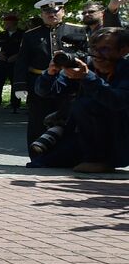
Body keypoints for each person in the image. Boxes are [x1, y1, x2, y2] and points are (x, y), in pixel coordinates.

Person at [29, 26, 129, 172]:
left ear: (123, 50)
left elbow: (117, 101)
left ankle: (99, 160)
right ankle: (85, 155)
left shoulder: (125, 69)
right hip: (85, 136)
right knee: (41, 162)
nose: (97, 54)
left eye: (105, 49)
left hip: (120, 137)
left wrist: (87, 78)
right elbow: (44, 92)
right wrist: (50, 74)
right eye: (94, 48)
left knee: (86, 105)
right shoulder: (85, 66)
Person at [15, 0, 85, 157]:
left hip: (69, 81)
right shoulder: (31, 35)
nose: (51, 14)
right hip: (40, 81)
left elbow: (86, 53)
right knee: (38, 119)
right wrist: (20, 85)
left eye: (55, 11)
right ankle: (37, 157)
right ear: (41, 14)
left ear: (63, 12)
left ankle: (65, 156)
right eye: (47, 12)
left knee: (67, 118)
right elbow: (22, 61)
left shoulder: (78, 31)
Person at [0, 11, 23, 113]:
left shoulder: (22, 34)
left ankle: (15, 105)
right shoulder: (2, 35)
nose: (5, 25)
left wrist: (17, 56)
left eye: (7, 23)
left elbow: (25, 49)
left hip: (15, 62)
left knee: (15, 84)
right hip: (2, 62)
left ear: (13, 23)